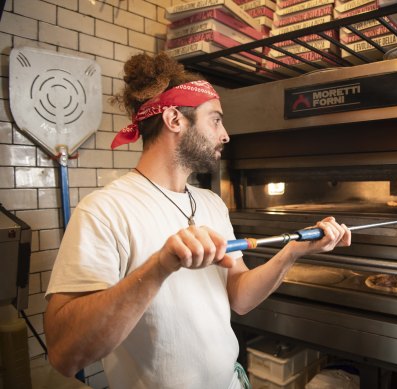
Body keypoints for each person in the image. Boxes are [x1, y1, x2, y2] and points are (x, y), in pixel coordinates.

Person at [43, 52, 351, 389]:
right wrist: (159, 267)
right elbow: (64, 354)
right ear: (175, 119)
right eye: (215, 120)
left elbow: (240, 297)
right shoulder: (105, 210)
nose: (225, 134)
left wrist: (293, 251)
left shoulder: (211, 204)